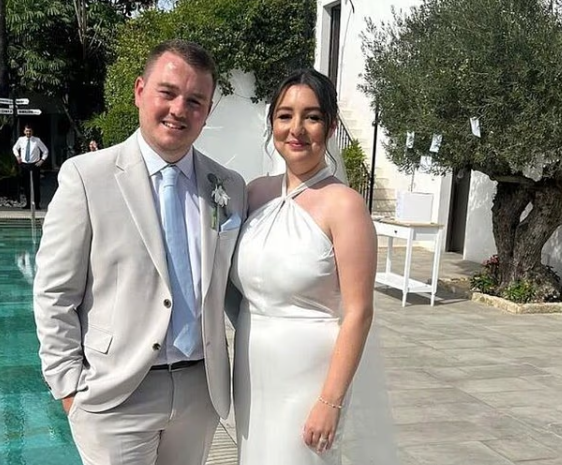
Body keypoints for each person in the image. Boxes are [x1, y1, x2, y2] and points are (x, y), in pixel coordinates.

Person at [33, 39, 246, 465]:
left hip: (199, 393)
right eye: (168, 93)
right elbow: (54, 293)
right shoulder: (86, 177)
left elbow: (234, 289)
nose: (179, 109)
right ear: (139, 91)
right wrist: (69, 387)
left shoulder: (228, 186)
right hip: (115, 394)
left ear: (207, 111)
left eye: (195, 101)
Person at [230, 69, 379, 464]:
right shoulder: (254, 193)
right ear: (272, 123)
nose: (296, 129)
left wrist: (330, 401)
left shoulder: (345, 206)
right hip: (251, 370)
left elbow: (359, 312)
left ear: (330, 127)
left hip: (310, 375)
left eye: (311, 117)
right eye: (285, 116)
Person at [12, 124, 49, 209]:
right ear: (24, 131)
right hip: (25, 164)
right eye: (27, 131)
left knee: (36, 185)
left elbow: (45, 151)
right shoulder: (21, 140)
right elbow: (15, 148)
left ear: (32, 132)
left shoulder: (37, 140)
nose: (28, 132)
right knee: (26, 185)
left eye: (30, 131)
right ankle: (28, 203)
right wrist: (17, 156)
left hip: (35, 164)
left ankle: (37, 204)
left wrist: (42, 160)